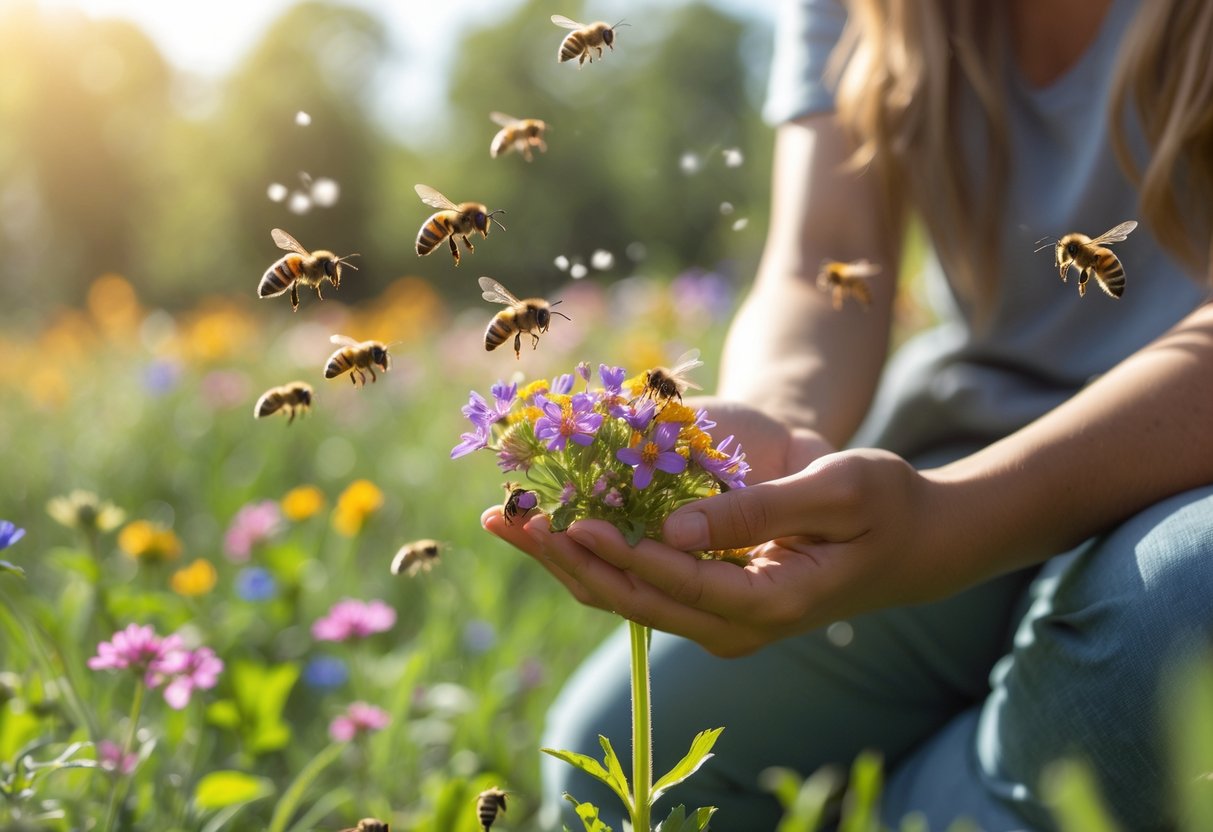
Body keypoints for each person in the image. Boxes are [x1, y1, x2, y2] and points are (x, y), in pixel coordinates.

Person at [484, 0, 1213, 828]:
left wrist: (956, 520)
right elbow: (821, 261)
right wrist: (774, 424)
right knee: (618, 770)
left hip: (1176, 486)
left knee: (1193, 609)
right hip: (960, 451)